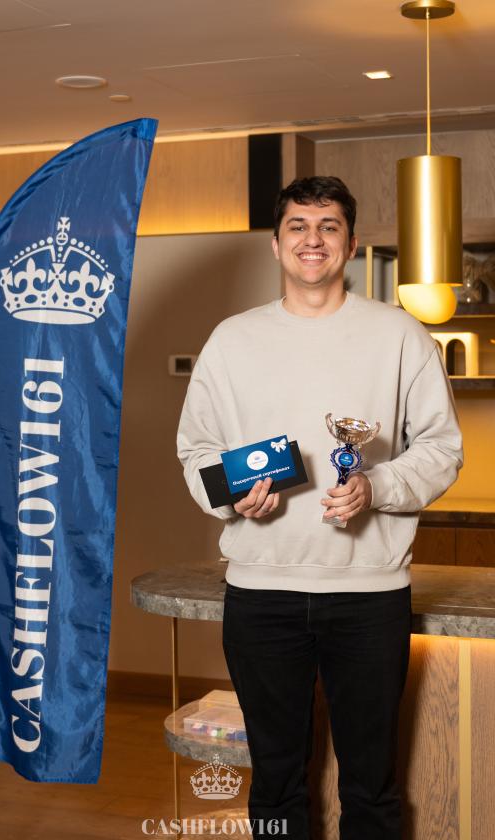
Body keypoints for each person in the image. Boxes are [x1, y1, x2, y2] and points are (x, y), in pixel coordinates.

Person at [176, 176, 463, 840]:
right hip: (261, 595)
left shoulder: (399, 335)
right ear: (276, 245)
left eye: (328, 226)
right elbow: (197, 450)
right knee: (276, 782)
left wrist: (376, 486)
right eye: (298, 227)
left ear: (351, 244)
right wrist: (231, 498)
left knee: (373, 786)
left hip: (369, 596)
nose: (313, 239)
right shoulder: (232, 340)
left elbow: (442, 447)